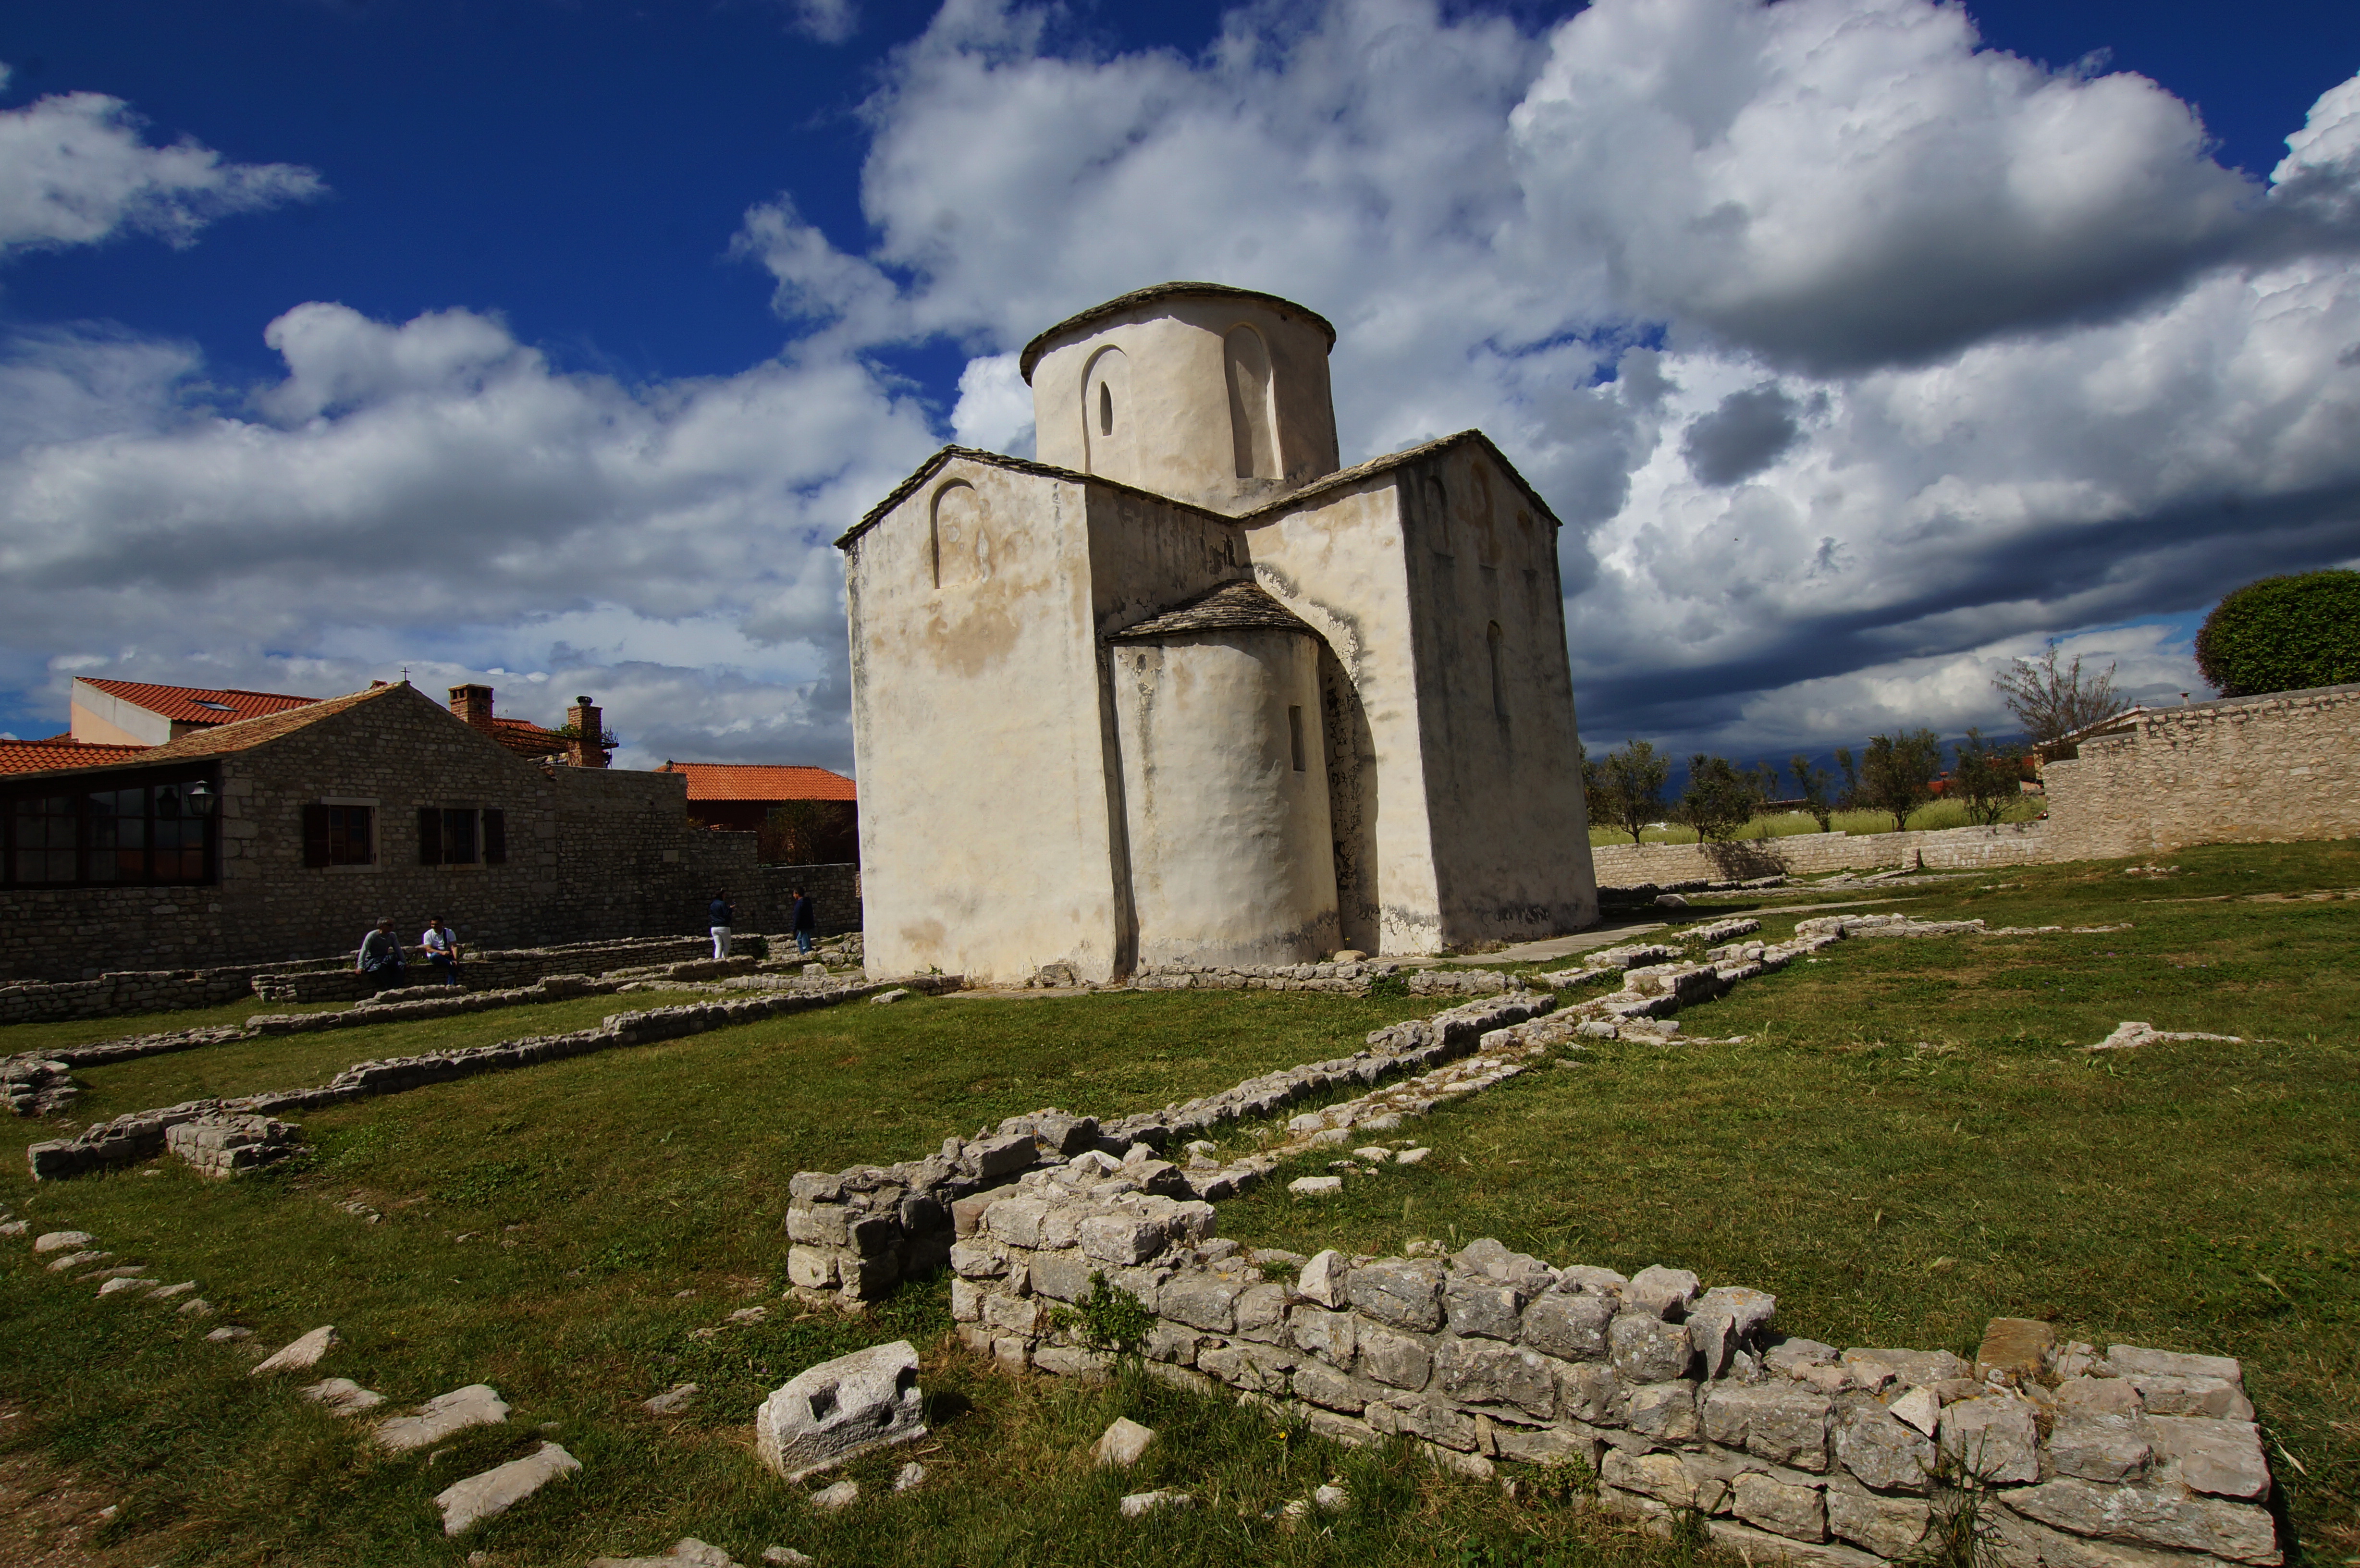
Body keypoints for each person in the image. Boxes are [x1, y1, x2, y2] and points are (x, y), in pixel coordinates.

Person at [355, 917, 405, 992]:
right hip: (372, 960)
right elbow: (364, 950)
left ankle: (396, 987)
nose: (392, 927)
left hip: (384, 958)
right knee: (381, 967)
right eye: (390, 925)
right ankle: (389, 988)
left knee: (401, 965)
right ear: (382, 926)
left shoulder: (392, 936)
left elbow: (398, 950)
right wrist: (360, 966)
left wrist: (404, 961)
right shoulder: (372, 936)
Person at [420, 916, 461, 986]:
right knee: (435, 956)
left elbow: (454, 947)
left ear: (442, 924)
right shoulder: (428, 934)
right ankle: (451, 963)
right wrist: (442, 953)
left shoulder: (449, 932)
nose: (434, 926)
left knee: (453, 964)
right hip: (436, 956)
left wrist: (455, 959)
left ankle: (451, 986)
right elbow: (429, 949)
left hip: (447, 955)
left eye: (436, 924)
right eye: (432, 924)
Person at [708, 890, 735, 960]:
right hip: (723, 926)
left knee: (718, 945)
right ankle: (724, 959)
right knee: (727, 945)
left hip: (714, 927)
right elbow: (726, 914)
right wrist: (731, 909)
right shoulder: (722, 903)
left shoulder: (712, 904)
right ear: (722, 896)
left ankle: (717, 959)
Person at [792, 887, 819, 954]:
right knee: (800, 940)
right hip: (807, 924)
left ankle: (807, 956)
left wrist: (794, 929)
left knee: (805, 944)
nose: (793, 896)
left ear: (797, 894)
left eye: (794, 894)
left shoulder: (800, 904)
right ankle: (803, 954)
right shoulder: (807, 902)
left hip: (804, 925)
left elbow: (797, 917)